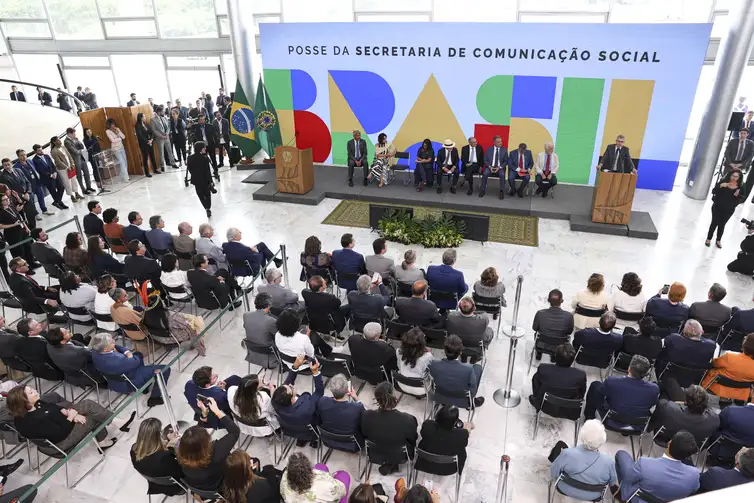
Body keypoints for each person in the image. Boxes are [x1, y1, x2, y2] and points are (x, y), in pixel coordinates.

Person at [7, 384, 128, 452]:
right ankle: (106, 436)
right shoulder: (33, 420)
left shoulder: (35, 404)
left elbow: (54, 408)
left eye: (32, 389)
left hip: (63, 422)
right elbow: (60, 433)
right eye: (31, 392)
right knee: (91, 417)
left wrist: (70, 413)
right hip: (61, 441)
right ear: (24, 401)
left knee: (88, 405)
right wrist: (71, 417)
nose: (35, 391)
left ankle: (114, 424)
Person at [614, 431, 699, 502]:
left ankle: (622, 495)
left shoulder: (644, 463)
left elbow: (629, 479)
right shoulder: (694, 474)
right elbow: (694, 489)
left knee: (621, 455)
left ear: (669, 443)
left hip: (638, 499)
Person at [177, 397, 240, 491]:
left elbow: (194, 439)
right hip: (221, 484)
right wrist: (217, 411)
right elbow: (234, 432)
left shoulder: (179, 455)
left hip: (201, 488)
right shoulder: (216, 452)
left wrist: (204, 414)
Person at [90, 332, 170, 406]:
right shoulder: (117, 360)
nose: (114, 341)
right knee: (165, 369)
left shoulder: (95, 352)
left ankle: (144, 386)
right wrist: (129, 354)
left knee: (138, 354)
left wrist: (127, 353)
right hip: (130, 380)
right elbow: (135, 361)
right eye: (111, 342)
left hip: (114, 381)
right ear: (105, 349)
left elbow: (117, 347)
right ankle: (154, 398)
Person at [548, 419, 617, 501]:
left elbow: (554, 472)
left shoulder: (567, 454)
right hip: (594, 495)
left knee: (560, 445)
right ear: (602, 440)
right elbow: (612, 483)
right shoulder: (609, 462)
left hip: (565, 488)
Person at [361, 382, 418, 475]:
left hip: (376, 453)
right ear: (395, 398)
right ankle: (392, 463)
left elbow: (364, 434)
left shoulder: (366, 415)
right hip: (401, 455)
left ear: (377, 399)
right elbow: (413, 439)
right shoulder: (408, 420)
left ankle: (390, 463)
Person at [584, 355, 658, 423]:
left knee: (595, 385)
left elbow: (602, 392)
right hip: (636, 423)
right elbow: (652, 404)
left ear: (629, 368)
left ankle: (589, 417)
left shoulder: (612, 381)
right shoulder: (654, 389)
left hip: (611, 418)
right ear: (645, 374)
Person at [272, 359, 325, 447]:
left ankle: (302, 439)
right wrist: (315, 372)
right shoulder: (306, 407)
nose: (290, 385)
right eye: (291, 388)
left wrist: (295, 367)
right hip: (311, 430)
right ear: (292, 399)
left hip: (291, 431)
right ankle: (313, 439)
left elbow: (286, 385)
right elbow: (319, 392)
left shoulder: (275, 401)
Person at [650, 382, 720, 446]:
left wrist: (683, 403)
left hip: (664, 439)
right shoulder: (714, 420)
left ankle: (649, 426)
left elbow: (662, 402)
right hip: (691, 445)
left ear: (687, 401)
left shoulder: (669, 408)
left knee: (667, 389)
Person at [130, 418, 185, 497]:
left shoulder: (133, 450)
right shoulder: (164, 458)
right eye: (161, 432)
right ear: (158, 436)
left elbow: (153, 457)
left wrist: (167, 441)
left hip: (155, 485)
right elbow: (181, 472)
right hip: (176, 487)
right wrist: (173, 447)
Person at [529, 342, 586, 416]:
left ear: (555, 356)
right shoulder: (580, 375)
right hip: (569, 409)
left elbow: (536, 384)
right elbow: (582, 393)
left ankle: (536, 399)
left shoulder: (544, 369)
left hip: (544, 406)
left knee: (536, 377)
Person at [429, 335, 485, 407]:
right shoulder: (468, 369)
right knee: (478, 368)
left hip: (441, 398)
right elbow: (473, 389)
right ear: (461, 352)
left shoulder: (434, 364)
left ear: (445, 350)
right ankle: (472, 402)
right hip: (462, 401)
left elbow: (433, 381)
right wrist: (471, 397)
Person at [416, 405, 472, 476]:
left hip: (423, 463)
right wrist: (467, 428)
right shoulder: (462, 434)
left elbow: (424, 433)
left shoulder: (427, 426)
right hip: (449, 468)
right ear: (455, 423)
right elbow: (464, 444)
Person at [701, 333, 754, 401]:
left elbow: (714, 363)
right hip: (741, 395)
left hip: (716, 388)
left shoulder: (730, 357)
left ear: (746, 345)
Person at [316, 373, 364, 447]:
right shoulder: (357, 408)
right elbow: (366, 418)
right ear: (347, 390)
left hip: (328, 440)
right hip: (352, 445)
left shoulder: (322, 401)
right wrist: (356, 398)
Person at [280, 452, 349, 503]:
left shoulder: (284, 478)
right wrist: (331, 477)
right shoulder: (325, 485)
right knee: (344, 475)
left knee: (320, 466)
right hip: (320, 492)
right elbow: (342, 491)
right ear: (310, 469)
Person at [446, 297, 493, 362]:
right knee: (490, 331)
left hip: (458, 344)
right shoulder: (483, 319)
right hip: (475, 346)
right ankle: (478, 355)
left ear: (459, 307)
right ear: (474, 308)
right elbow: (484, 315)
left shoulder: (451, 316)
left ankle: (464, 355)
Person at [707, 170, 746, 248]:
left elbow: (741, 199)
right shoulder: (723, 182)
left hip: (729, 209)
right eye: (732, 176)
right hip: (717, 207)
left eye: (736, 176)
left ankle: (718, 240)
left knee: (722, 224)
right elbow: (713, 191)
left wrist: (736, 196)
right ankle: (708, 238)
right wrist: (721, 186)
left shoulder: (741, 187)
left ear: (739, 177)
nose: (734, 178)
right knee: (714, 223)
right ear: (729, 175)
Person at [532, 289, 575, 357]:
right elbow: (569, 332)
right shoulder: (569, 316)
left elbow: (534, 328)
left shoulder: (540, 313)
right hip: (560, 346)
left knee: (537, 334)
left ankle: (539, 353)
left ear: (548, 300)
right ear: (562, 301)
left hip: (541, 343)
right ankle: (554, 356)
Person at [242, 293, 280, 368]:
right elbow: (277, 334)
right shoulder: (270, 321)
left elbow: (245, 326)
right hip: (267, 349)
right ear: (269, 305)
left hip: (252, 348)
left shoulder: (246, 315)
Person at [14, 149, 53, 217]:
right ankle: (36, 214)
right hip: (28, 186)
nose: (24, 157)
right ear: (18, 157)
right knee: (31, 200)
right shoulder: (16, 166)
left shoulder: (29, 161)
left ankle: (44, 210)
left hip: (36, 182)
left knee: (41, 196)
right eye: (22, 155)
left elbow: (34, 170)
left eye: (25, 155)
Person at [108, 288, 149, 352]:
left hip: (126, 331)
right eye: (125, 296)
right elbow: (142, 322)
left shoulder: (112, 307)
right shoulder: (127, 311)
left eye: (126, 293)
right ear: (118, 300)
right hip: (139, 334)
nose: (127, 295)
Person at [395, 328, 433, 396]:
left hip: (402, 384)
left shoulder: (398, 351)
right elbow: (430, 371)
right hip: (420, 389)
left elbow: (399, 366)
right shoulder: (427, 356)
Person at [0, 191, 33, 264]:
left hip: (22, 230)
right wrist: (14, 225)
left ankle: (31, 262)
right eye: (4, 200)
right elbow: (1, 226)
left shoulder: (10, 206)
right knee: (19, 251)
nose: (7, 200)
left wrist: (26, 227)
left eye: (7, 198)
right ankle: (24, 266)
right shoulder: (1, 212)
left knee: (27, 247)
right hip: (12, 234)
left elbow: (19, 217)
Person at [31, 143, 67, 209]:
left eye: (41, 150)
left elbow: (53, 165)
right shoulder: (35, 160)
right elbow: (40, 171)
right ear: (35, 152)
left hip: (55, 175)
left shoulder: (46, 156)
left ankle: (56, 201)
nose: (41, 151)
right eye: (39, 150)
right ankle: (60, 203)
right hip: (47, 179)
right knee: (53, 192)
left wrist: (55, 172)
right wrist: (50, 175)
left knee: (61, 187)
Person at [50, 136, 84, 201]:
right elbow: (58, 162)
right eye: (58, 140)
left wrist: (72, 164)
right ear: (54, 142)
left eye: (59, 140)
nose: (60, 141)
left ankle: (77, 193)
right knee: (67, 182)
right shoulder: (54, 151)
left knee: (74, 180)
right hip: (63, 169)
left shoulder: (63, 147)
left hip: (70, 166)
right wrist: (67, 167)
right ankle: (72, 196)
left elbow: (69, 156)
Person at [64, 127, 94, 194]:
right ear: (69, 134)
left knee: (87, 173)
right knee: (79, 176)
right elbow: (75, 151)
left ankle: (89, 187)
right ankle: (83, 190)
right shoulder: (66, 142)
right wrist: (81, 151)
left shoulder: (75, 139)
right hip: (75, 160)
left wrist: (78, 141)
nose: (74, 135)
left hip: (81, 158)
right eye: (73, 133)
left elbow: (82, 146)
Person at [480, 135, 508, 199]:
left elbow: (506, 161)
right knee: (485, 174)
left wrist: (499, 167)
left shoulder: (504, 150)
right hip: (490, 167)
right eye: (498, 142)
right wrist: (490, 167)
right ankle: (483, 190)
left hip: (499, 168)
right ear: (494, 142)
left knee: (502, 174)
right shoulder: (489, 149)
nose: (500, 143)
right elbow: (485, 160)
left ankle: (501, 191)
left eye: (501, 141)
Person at [151, 105, 178, 171]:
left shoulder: (164, 118)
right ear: (159, 112)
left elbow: (168, 126)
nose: (164, 112)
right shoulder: (153, 119)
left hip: (167, 137)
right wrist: (161, 136)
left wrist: (167, 133)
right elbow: (154, 130)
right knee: (161, 153)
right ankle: (162, 165)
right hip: (160, 139)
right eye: (163, 111)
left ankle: (173, 163)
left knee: (170, 151)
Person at [105, 118, 129, 183]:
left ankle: (122, 176)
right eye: (111, 124)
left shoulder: (117, 129)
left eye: (113, 124)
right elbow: (112, 140)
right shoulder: (108, 131)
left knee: (125, 162)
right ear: (108, 125)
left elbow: (123, 137)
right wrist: (119, 138)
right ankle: (126, 178)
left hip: (121, 147)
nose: (113, 125)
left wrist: (118, 132)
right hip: (116, 149)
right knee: (122, 162)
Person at [135, 112, 157, 177]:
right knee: (145, 158)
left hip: (150, 142)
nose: (145, 117)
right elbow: (140, 136)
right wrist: (147, 141)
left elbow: (152, 132)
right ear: (140, 118)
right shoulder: (137, 125)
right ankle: (147, 172)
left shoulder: (146, 124)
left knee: (152, 156)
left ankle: (155, 169)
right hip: (144, 144)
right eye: (144, 116)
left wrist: (151, 139)